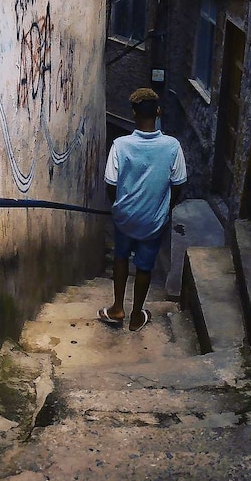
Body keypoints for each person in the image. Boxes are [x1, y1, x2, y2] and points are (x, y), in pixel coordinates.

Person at [99, 88, 186, 331]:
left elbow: (111, 184)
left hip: (125, 217)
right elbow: (178, 184)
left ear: (134, 113)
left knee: (120, 257)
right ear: (158, 111)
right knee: (145, 266)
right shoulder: (172, 146)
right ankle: (137, 315)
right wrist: (164, 208)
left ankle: (117, 308)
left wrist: (120, 207)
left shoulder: (120, 145)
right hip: (153, 219)